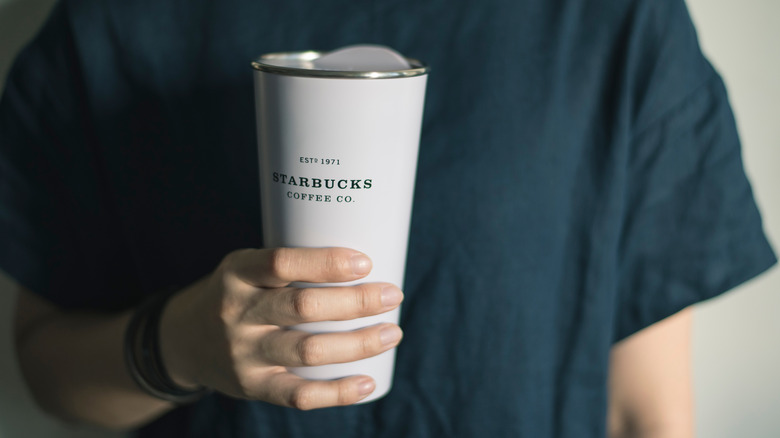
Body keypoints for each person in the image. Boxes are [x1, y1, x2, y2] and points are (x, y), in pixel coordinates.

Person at [0, 0, 775, 437]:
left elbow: (644, 407)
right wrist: (177, 345)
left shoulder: (612, 25)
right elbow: (44, 366)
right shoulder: (105, 30)